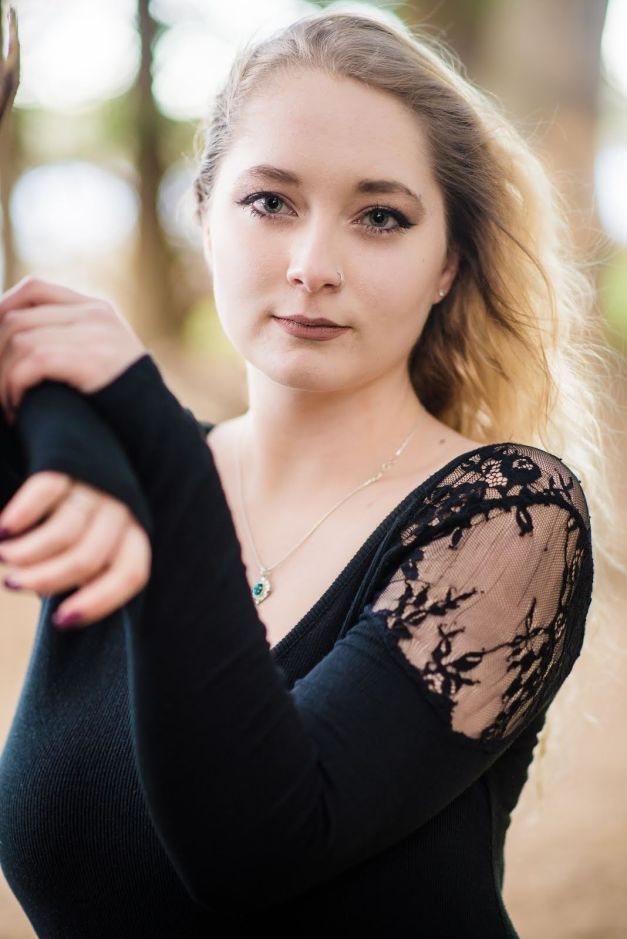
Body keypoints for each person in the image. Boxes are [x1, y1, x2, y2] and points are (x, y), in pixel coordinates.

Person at [0, 9, 610, 937]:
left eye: (379, 217)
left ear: (447, 264)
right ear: (203, 216)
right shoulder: (98, 474)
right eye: (270, 202)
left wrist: (154, 446)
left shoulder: (512, 519)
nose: (312, 266)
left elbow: (258, 847)